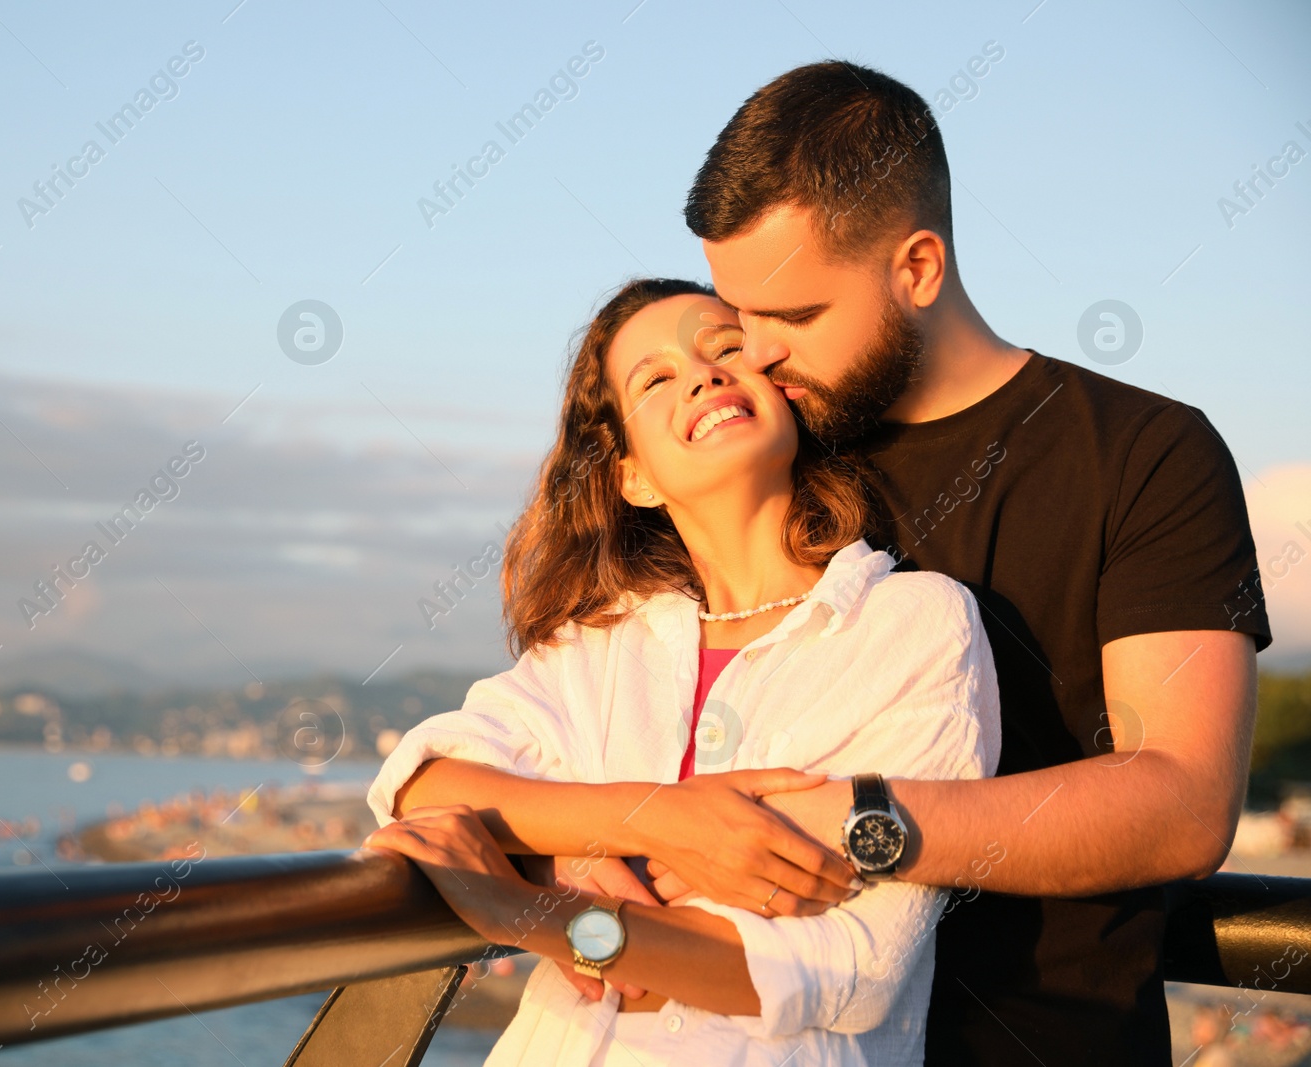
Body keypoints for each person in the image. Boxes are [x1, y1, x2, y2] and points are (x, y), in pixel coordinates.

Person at [620, 60, 1269, 1066]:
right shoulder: (761, 459)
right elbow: (614, 708)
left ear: (917, 267)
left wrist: (850, 820)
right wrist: (582, 845)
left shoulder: (1144, 452)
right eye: (736, 313)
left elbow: (1180, 802)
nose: (754, 355)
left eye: (793, 319)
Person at [364, 277, 1001, 1065]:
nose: (702, 375)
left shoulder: (911, 624)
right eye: (656, 378)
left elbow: (851, 969)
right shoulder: (600, 644)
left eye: (726, 349)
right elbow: (423, 786)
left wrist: (524, 907)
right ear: (633, 474)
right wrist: (649, 820)